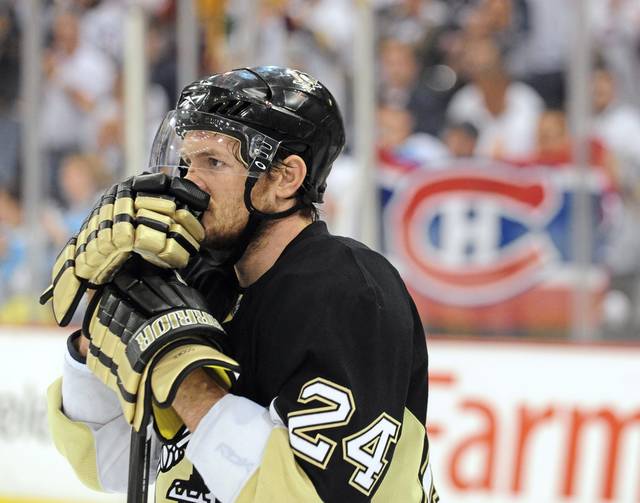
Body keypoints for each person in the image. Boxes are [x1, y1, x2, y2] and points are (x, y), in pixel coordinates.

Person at [45, 66, 439, 502]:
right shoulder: (200, 282)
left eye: (213, 162)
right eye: (187, 161)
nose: (188, 181)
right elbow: (109, 464)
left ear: (285, 178)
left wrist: (182, 374)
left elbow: (303, 495)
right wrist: (102, 328)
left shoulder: (348, 291)